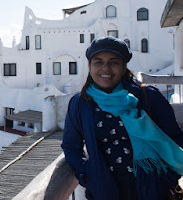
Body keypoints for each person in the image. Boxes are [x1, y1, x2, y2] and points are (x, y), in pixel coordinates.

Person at [61, 36, 183, 200]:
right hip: (105, 190)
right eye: (98, 62)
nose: (106, 68)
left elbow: (175, 139)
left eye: (114, 62)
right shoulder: (81, 103)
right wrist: (87, 175)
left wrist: (165, 178)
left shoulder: (148, 97)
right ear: (89, 66)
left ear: (124, 66)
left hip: (151, 189)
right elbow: (71, 146)